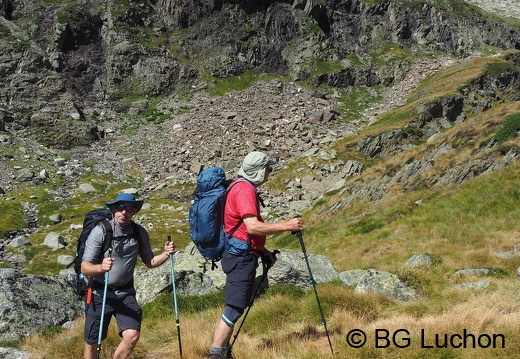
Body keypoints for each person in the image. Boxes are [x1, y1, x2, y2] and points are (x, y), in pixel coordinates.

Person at [208, 151, 303, 359]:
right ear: (260, 171)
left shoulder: (239, 185)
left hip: (243, 253)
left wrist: (263, 251)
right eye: (268, 168)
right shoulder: (244, 190)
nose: (270, 172)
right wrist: (287, 225)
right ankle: (215, 354)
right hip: (240, 258)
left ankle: (222, 351)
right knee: (233, 307)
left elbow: (241, 228)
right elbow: (252, 227)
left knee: (236, 305)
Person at [81, 192, 176, 359]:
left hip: (125, 293)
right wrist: (100, 268)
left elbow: (150, 262)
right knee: (92, 341)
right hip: (99, 293)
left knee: (132, 335)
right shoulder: (100, 231)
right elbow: (84, 267)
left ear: (134, 211)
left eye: (129, 208)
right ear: (113, 209)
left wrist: (166, 254)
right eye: (120, 207)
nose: (124, 212)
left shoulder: (139, 233)